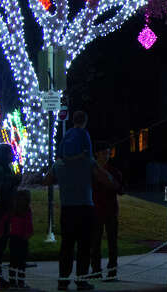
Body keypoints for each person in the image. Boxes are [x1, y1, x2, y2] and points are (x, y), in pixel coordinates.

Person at [50, 111, 100, 291]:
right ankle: (81, 279)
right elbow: (98, 175)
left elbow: (48, 179)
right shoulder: (87, 160)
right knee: (84, 245)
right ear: (85, 121)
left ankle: (63, 279)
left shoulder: (60, 164)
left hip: (67, 207)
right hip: (85, 206)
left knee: (67, 245)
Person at [0, 143, 21, 289]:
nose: (13, 155)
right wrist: (14, 180)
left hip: (5, 211)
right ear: (4, 155)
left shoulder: (4, 168)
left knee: (0, 243)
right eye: (10, 152)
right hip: (1, 212)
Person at [90, 142, 124, 281]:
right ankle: (96, 270)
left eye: (108, 153)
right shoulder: (92, 171)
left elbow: (121, 189)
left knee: (112, 242)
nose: (106, 156)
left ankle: (111, 271)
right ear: (97, 154)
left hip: (110, 210)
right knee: (95, 243)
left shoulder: (113, 171)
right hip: (96, 211)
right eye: (104, 153)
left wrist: (114, 184)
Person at [7, 190, 33, 289]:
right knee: (19, 261)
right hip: (20, 238)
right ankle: (18, 282)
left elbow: (29, 223)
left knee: (16, 261)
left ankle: (14, 281)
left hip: (17, 238)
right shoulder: (25, 211)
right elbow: (29, 223)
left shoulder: (15, 211)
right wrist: (29, 232)